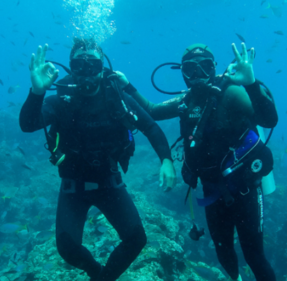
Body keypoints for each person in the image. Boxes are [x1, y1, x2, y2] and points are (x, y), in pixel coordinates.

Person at [19, 38, 176, 281]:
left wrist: (166, 160)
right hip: (73, 186)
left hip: (109, 182)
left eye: (92, 64)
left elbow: (151, 127)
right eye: (79, 66)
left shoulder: (117, 97)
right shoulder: (61, 99)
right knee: (67, 249)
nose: (86, 72)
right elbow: (28, 125)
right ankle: (96, 273)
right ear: (72, 67)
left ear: (102, 67)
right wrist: (37, 91)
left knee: (137, 240)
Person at [121, 43, 278, 281]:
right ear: (182, 73)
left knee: (254, 255)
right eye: (190, 70)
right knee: (223, 251)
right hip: (212, 192)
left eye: (204, 67)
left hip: (244, 189)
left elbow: (268, 120)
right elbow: (151, 110)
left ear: (214, 68)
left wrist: (251, 83)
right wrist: (127, 86)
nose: (197, 76)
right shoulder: (186, 100)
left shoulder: (231, 92)